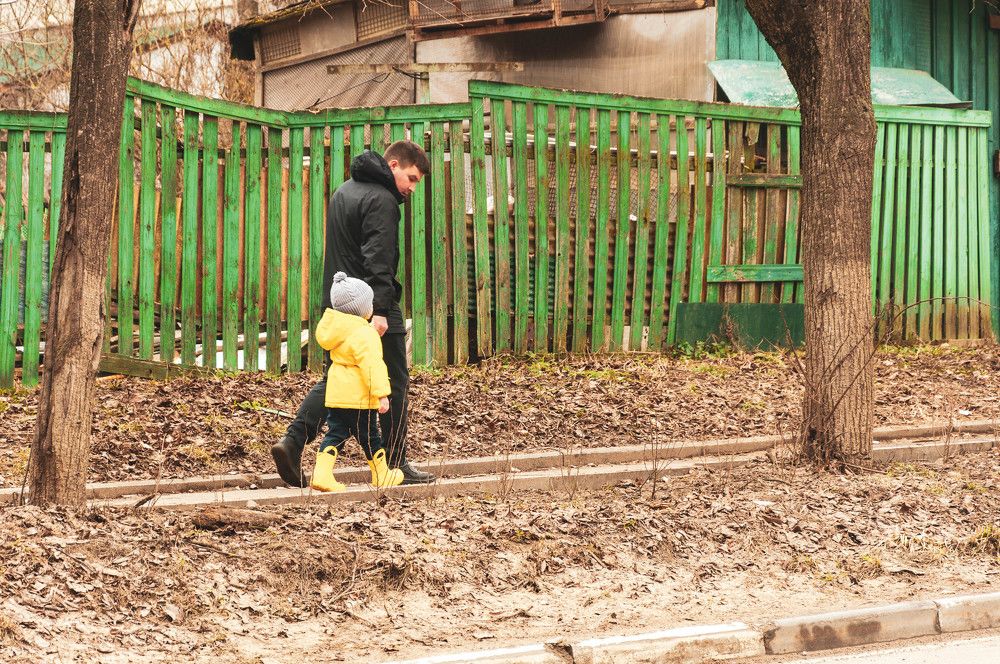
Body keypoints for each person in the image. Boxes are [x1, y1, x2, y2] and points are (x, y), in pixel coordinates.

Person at [272, 140, 435, 487]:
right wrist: (379, 310)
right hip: (371, 306)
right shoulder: (383, 200)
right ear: (393, 166)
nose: (411, 187)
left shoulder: (345, 191)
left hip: (339, 301)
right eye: (411, 178)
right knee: (393, 380)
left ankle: (294, 440)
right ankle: (396, 462)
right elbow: (379, 258)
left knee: (338, 377)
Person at [310, 272, 403, 492]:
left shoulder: (338, 332)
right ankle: (381, 474)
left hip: (337, 394)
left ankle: (321, 474)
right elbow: (372, 365)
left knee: (336, 433)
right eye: (369, 302)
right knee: (370, 436)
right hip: (358, 397)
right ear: (361, 308)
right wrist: (381, 394)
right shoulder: (364, 334)